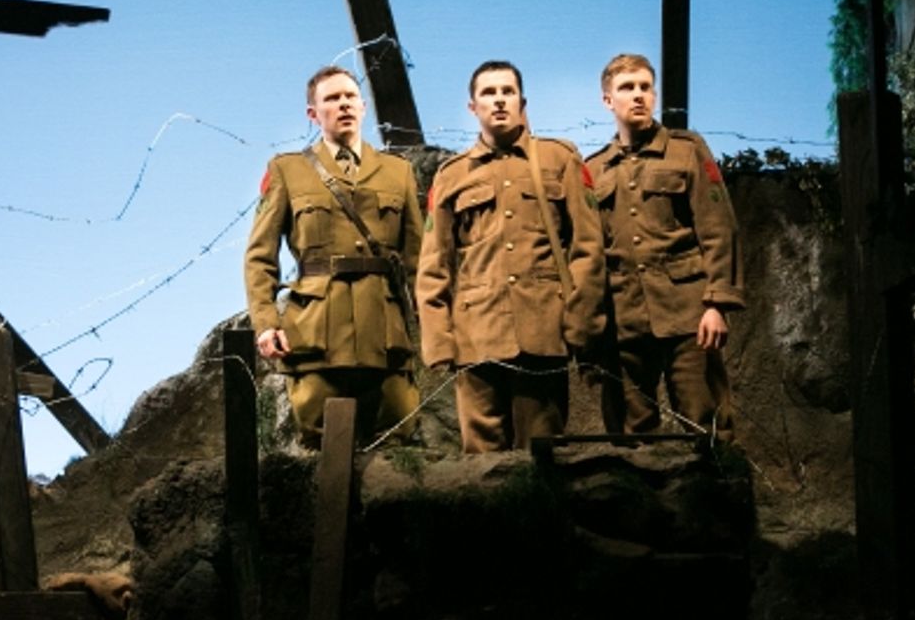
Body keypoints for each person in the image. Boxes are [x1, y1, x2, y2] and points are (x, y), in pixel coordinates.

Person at [417, 60, 605, 452]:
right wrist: (439, 341)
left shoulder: (559, 160)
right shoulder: (451, 175)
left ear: (522, 101)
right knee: (480, 465)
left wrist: (579, 321)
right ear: (473, 107)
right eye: (488, 93)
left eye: (507, 91)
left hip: (544, 331)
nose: (499, 100)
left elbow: (587, 247)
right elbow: (434, 264)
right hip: (475, 337)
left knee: (543, 458)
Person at [243, 65, 423, 449]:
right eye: (331, 99)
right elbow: (260, 256)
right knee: (324, 451)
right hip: (315, 335)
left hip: (384, 334)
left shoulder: (398, 172)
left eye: (349, 97)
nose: (343, 105)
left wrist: (432, 329)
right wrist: (265, 323)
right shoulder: (288, 170)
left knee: (396, 445)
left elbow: (417, 262)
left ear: (363, 106)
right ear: (313, 113)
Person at [584, 53, 743, 440]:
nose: (638, 95)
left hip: (688, 314)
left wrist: (716, 304)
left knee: (704, 421)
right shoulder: (593, 169)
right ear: (608, 100)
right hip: (624, 320)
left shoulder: (686, 150)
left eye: (645, 87)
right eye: (627, 88)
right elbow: (588, 253)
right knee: (630, 431)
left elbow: (718, 229)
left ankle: (716, 496)